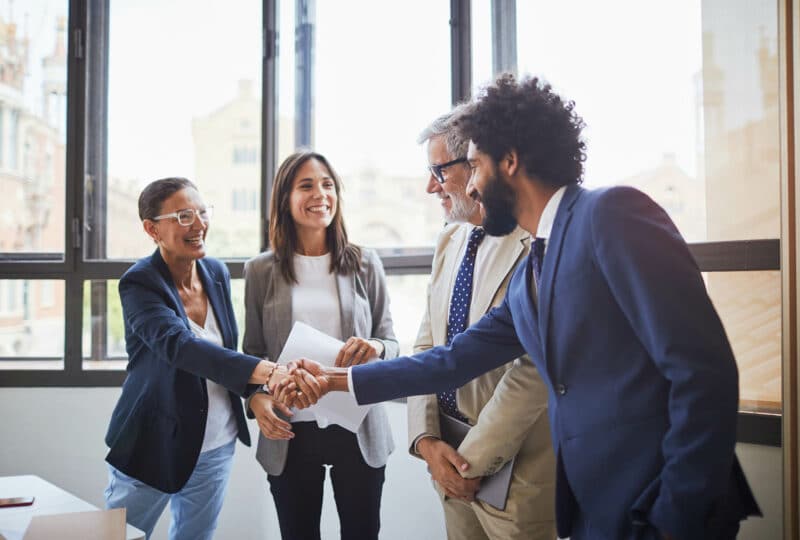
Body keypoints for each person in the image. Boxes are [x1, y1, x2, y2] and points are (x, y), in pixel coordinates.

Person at [289, 75, 762, 540]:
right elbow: (452, 360)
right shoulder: (536, 266)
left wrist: (676, 516)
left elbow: (704, 372)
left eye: (473, 166)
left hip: (659, 506)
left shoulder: (612, 214)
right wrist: (336, 381)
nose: (470, 187)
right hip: (596, 507)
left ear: (510, 161)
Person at [104, 177, 321, 540]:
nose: (200, 224)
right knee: (117, 537)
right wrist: (270, 372)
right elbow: (180, 346)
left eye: (202, 213)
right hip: (152, 443)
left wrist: (255, 394)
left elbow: (224, 356)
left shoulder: (215, 272)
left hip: (215, 443)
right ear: (151, 228)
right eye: (184, 216)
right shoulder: (139, 283)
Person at [408, 110, 555, 539]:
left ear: (477, 164)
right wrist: (425, 441)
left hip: (516, 473)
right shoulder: (449, 238)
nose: (430, 186)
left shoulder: (534, 244)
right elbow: (426, 346)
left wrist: (469, 461)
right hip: (446, 458)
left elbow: (533, 372)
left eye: (439, 171)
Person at [243, 150, 397, 540]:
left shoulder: (365, 262)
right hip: (290, 429)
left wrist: (376, 347)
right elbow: (251, 354)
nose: (321, 194)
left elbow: (392, 342)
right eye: (307, 185)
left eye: (328, 185)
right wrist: (256, 399)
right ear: (285, 198)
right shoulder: (261, 270)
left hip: (357, 426)